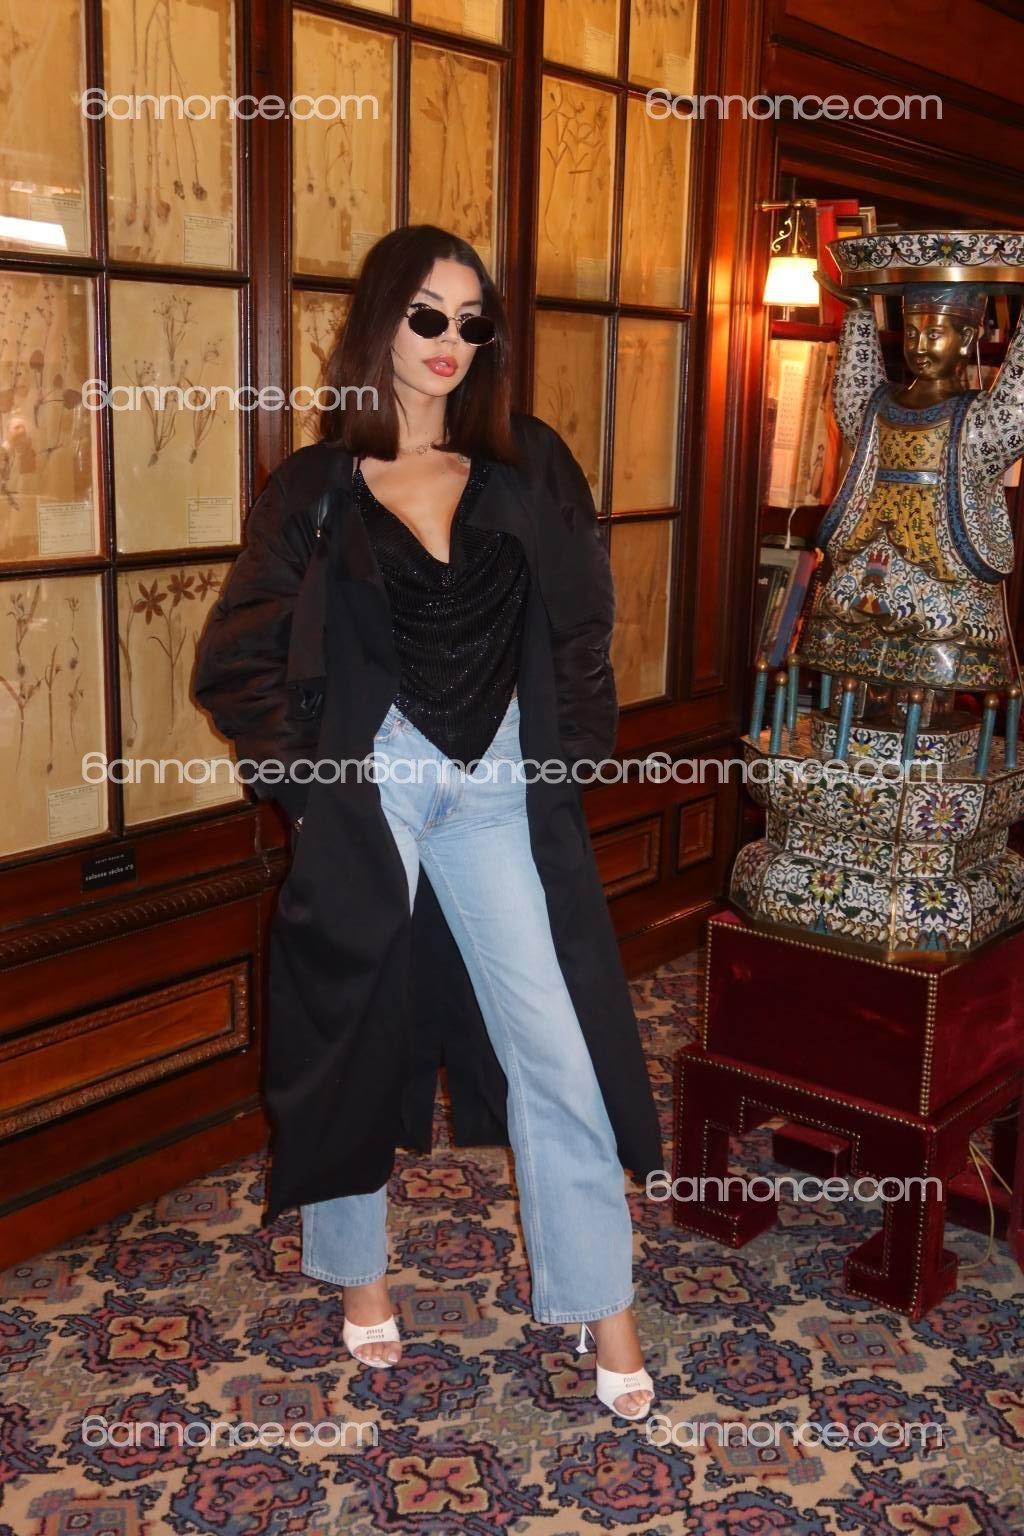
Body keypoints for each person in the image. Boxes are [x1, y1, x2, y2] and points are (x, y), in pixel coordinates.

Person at [193, 224, 664, 1419]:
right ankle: (359, 1276)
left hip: (500, 788)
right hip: (378, 786)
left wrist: (568, 763)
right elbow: (238, 660)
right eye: (426, 316)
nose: (450, 340)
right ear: (380, 324)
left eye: (471, 320)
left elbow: (580, 628)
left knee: (555, 1043)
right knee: (351, 1025)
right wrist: (314, 789)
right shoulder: (315, 487)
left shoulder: (528, 464)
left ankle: (601, 1300)